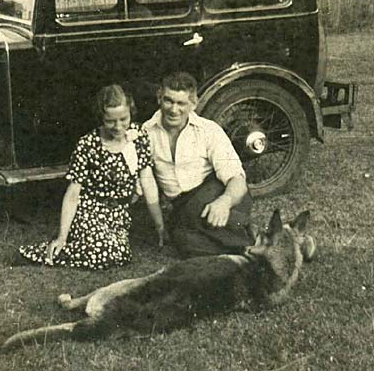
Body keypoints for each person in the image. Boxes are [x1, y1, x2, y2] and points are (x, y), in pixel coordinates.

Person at [19, 85, 165, 270]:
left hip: (119, 213)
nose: (118, 126)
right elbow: (73, 193)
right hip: (89, 209)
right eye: (110, 121)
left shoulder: (139, 136)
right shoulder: (87, 144)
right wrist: (62, 236)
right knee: (111, 253)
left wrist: (159, 225)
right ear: (101, 117)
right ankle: (47, 252)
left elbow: (147, 181)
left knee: (117, 253)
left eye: (123, 119)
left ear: (131, 113)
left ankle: (72, 250)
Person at [143, 72, 254, 258]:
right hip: (182, 204)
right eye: (168, 101)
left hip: (214, 190)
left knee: (194, 220)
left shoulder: (208, 130)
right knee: (184, 242)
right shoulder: (146, 133)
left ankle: (243, 239)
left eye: (181, 103)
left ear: (193, 104)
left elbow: (237, 178)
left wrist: (224, 202)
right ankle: (251, 243)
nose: (173, 109)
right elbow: (145, 179)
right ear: (159, 98)